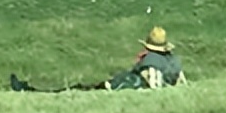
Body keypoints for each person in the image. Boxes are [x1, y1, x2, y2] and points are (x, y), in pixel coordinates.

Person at [10, 26, 187, 92]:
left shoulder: (152, 63)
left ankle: (29, 89)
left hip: (121, 87)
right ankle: (29, 88)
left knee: (79, 89)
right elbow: (182, 84)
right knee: (82, 88)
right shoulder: (173, 62)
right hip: (121, 85)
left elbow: (154, 87)